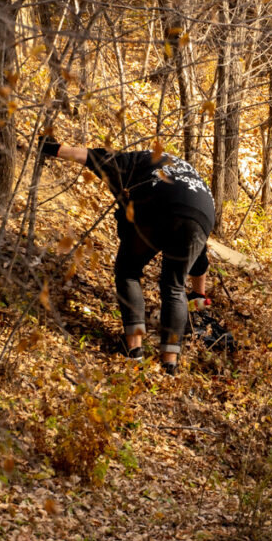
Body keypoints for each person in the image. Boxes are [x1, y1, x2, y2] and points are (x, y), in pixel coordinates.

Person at [38, 135, 214, 374]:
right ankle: (170, 364)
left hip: (158, 207)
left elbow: (90, 156)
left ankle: (134, 351)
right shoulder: (191, 178)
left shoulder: (136, 161)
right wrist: (199, 293)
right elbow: (199, 258)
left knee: (128, 271)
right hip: (202, 215)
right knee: (174, 286)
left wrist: (53, 148)